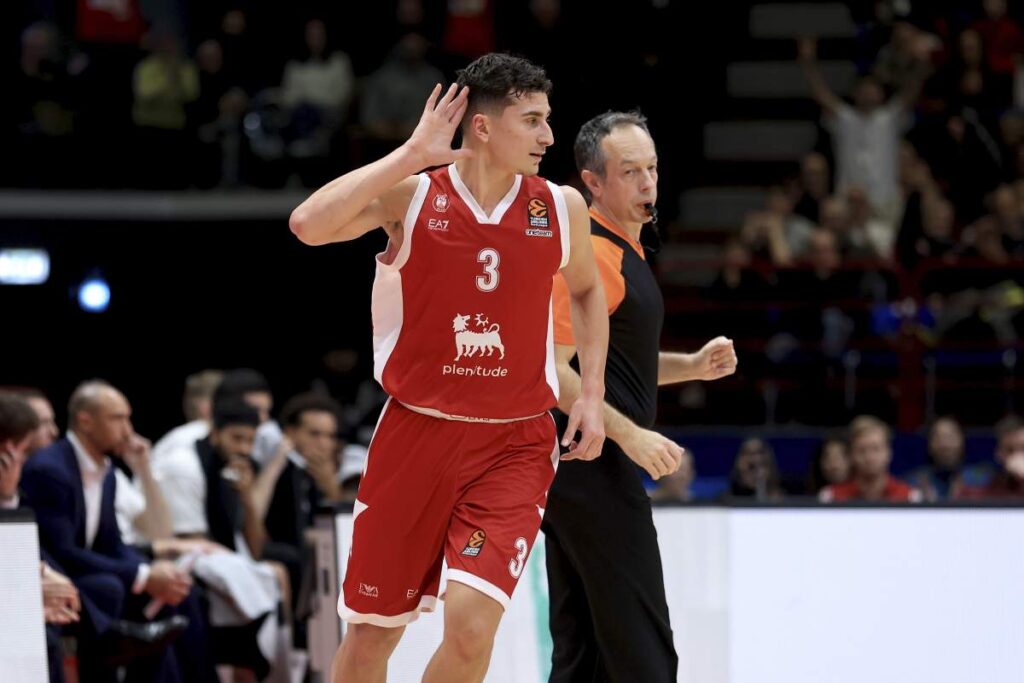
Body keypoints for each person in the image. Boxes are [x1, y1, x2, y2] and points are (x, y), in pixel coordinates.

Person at [290, 52, 609, 683]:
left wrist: (591, 393)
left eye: (547, 119)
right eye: (533, 120)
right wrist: (411, 154)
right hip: (416, 435)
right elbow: (307, 225)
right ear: (483, 127)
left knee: (470, 630)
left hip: (514, 444)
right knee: (371, 637)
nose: (549, 136)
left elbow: (586, 290)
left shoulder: (560, 206)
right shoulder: (413, 196)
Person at [543, 110, 738, 683]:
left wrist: (692, 367)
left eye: (652, 168)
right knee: (642, 648)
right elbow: (549, 368)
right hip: (592, 464)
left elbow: (613, 365)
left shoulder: (623, 248)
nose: (648, 182)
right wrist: (630, 436)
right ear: (593, 182)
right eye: (630, 172)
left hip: (577, 470)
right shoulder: (593, 254)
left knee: (581, 651)